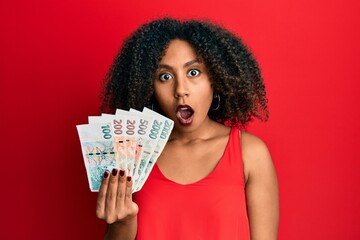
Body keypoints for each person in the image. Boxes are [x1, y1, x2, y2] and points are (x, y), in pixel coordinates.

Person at [95, 18, 279, 240]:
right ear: (149, 87)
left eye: (193, 72)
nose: (181, 90)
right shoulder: (132, 154)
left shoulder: (250, 153)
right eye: (165, 77)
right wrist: (124, 223)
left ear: (215, 78)